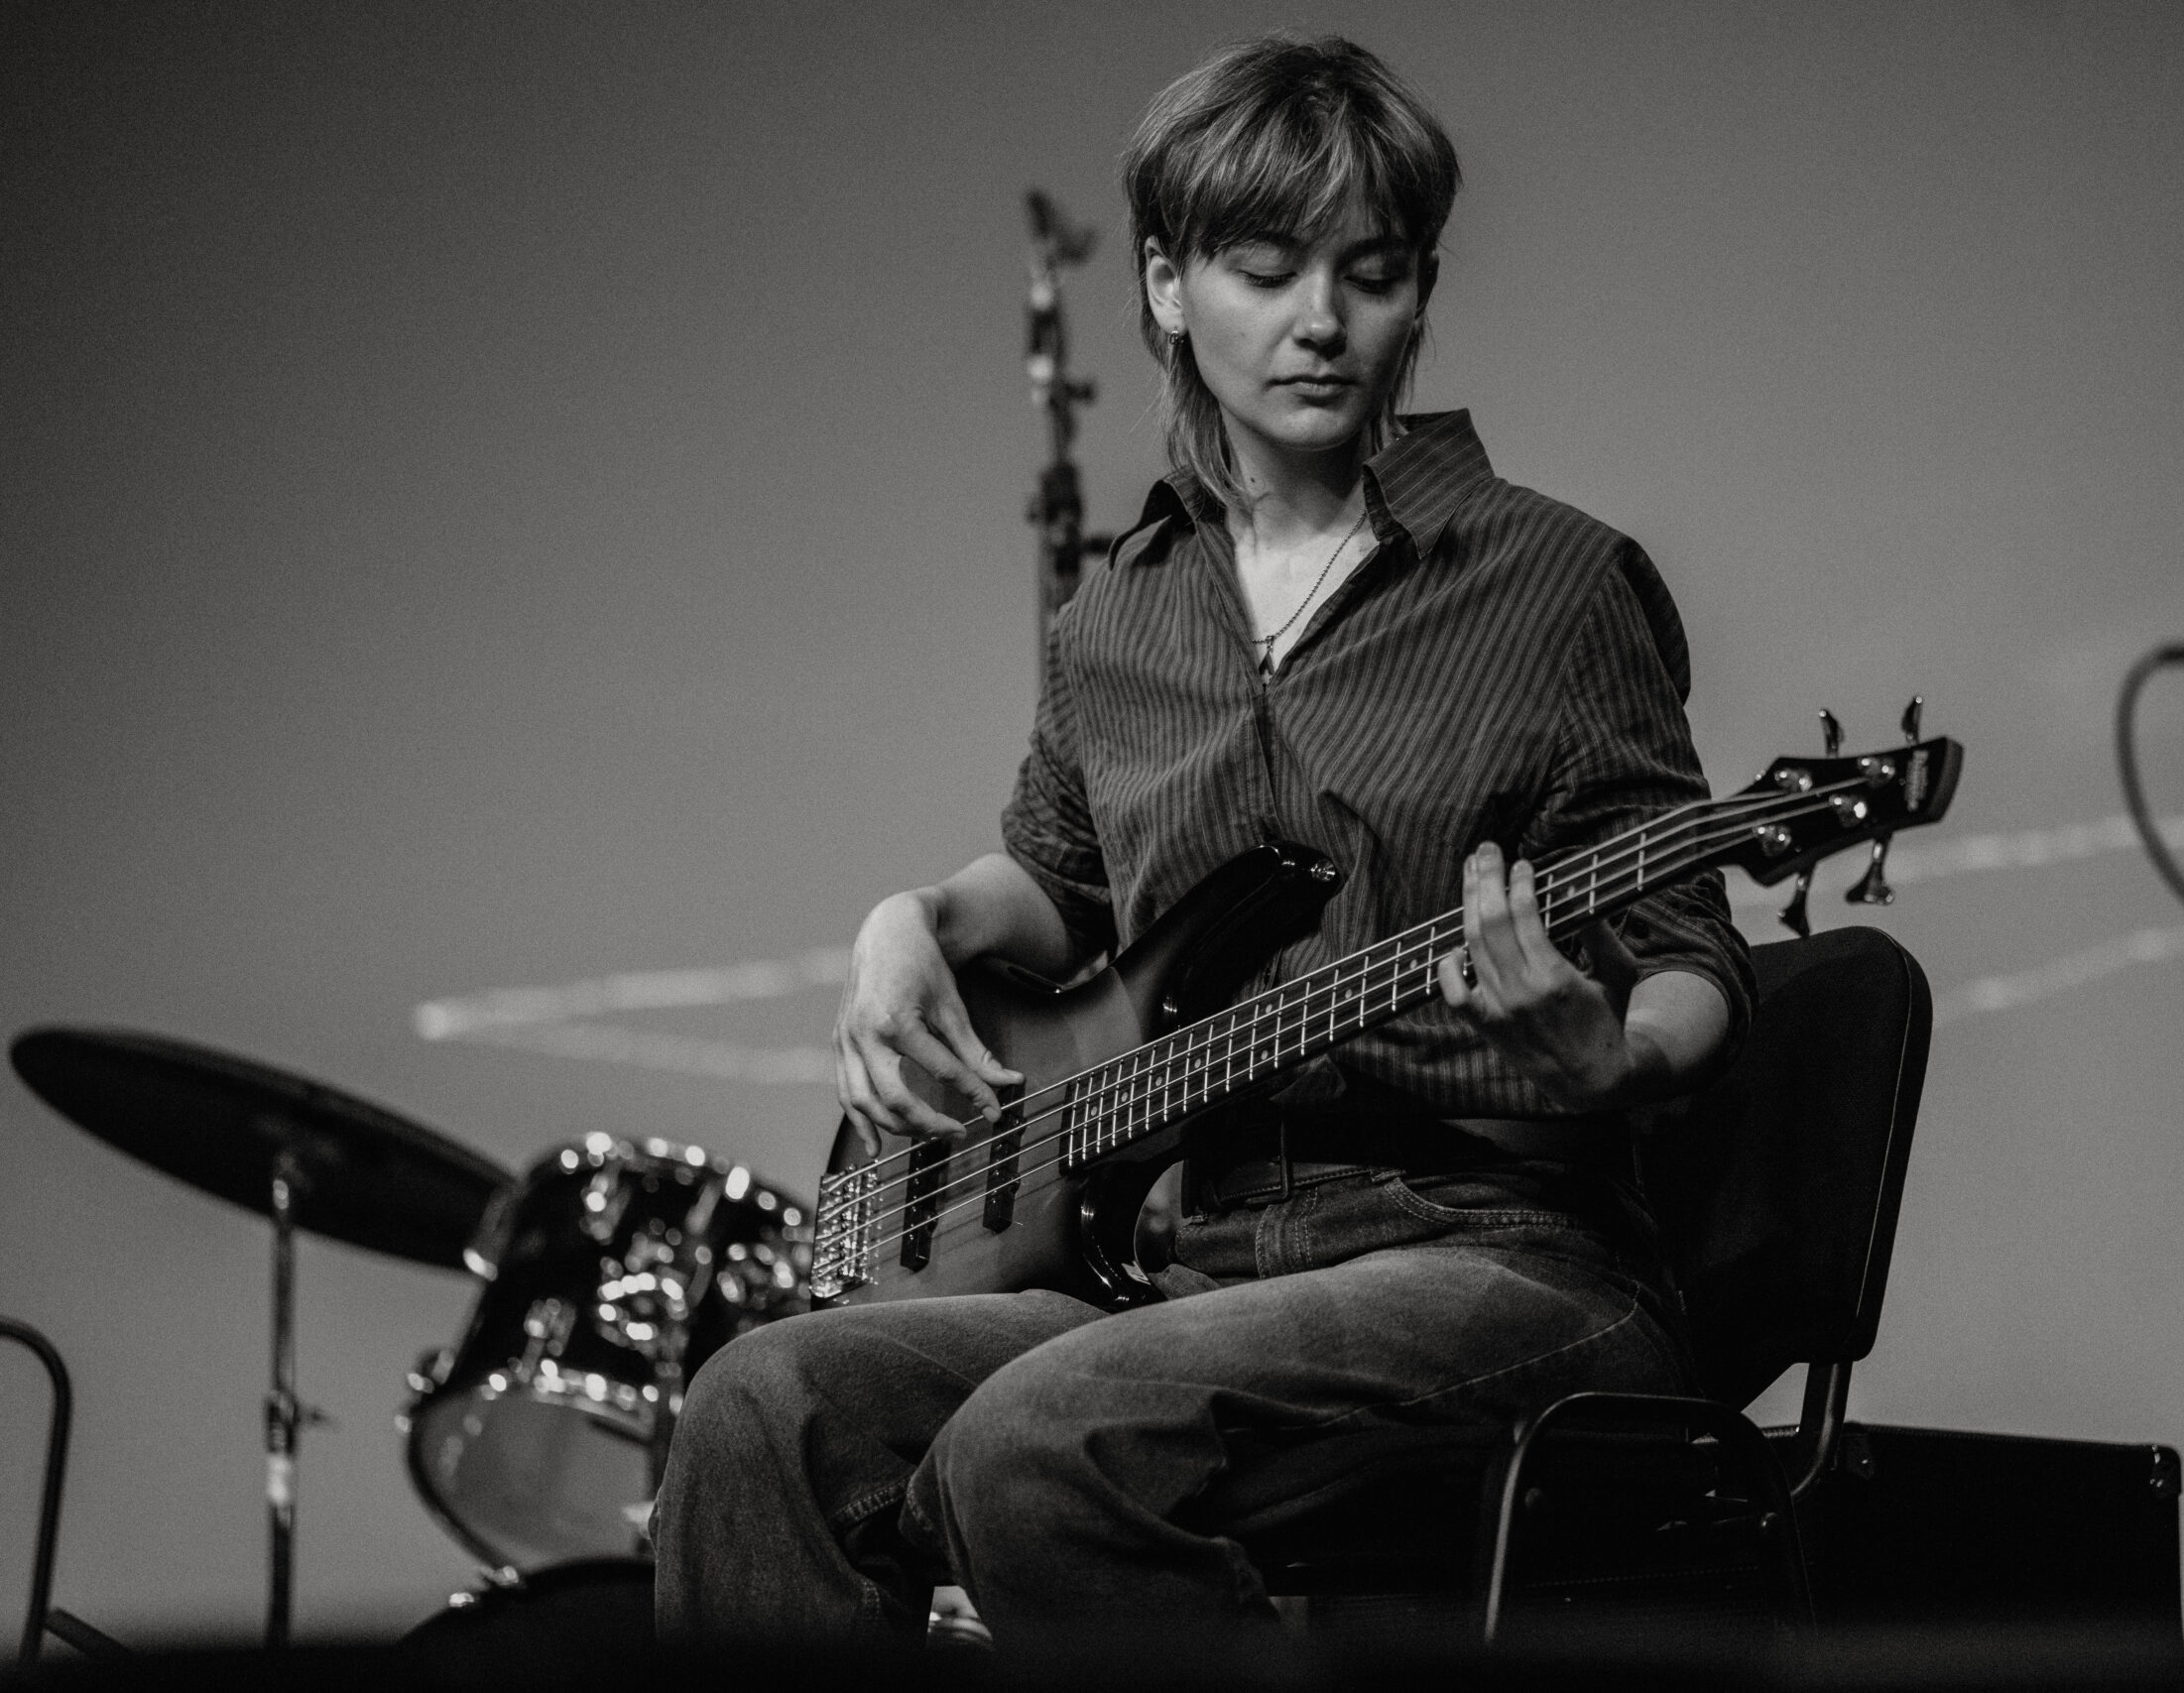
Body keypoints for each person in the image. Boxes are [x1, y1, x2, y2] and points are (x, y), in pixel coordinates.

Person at [653, 32, 1754, 1653]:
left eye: (1372, 273)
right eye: (1266, 268)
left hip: (1500, 1250)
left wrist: (1614, 1057)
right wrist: (913, 920)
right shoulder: (1121, 610)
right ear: (1168, 285)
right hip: (1199, 1265)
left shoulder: (1558, 583)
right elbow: (1056, 879)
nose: (1322, 320)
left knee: (1039, 1443)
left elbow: (1690, 948)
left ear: (1419, 292)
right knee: (760, 1406)